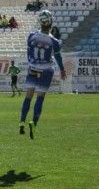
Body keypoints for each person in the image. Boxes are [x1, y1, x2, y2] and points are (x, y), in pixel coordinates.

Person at [19, 10, 66, 140]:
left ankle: (21, 121)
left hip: (32, 68)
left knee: (28, 96)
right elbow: (58, 58)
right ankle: (33, 124)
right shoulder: (54, 41)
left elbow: (29, 52)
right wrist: (62, 70)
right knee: (40, 98)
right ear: (51, 23)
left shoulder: (31, 36)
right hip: (46, 70)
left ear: (40, 22)